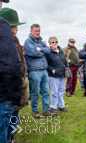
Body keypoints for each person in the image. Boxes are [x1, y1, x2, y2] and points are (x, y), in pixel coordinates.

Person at [0, 7, 28, 143]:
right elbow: (11, 66)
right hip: (11, 89)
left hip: (17, 85)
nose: (16, 29)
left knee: (13, 119)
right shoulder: (7, 42)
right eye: (14, 25)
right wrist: (17, 91)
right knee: (8, 124)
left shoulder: (15, 41)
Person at [24, 24, 56, 118]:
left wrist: (40, 49)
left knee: (46, 91)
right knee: (35, 92)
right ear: (31, 32)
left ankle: (46, 110)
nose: (38, 32)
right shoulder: (27, 42)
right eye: (36, 31)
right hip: (34, 71)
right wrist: (42, 51)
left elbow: (48, 51)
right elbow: (33, 53)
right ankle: (35, 111)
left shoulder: (41, 41)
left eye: (39, 31)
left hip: (44, 70)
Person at [46, 36, 68, 113]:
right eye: (53, 42)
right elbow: (46, 64)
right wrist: (52, 70)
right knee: (54, 92)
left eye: (56, 42)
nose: (55, 43)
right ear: (50, 44)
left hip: (62, 74)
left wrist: (67, 69)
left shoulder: (61, 51)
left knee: (61, 91)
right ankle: (53, 107)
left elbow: (64, 61)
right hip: (54, 75)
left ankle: (61, 106)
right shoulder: (48, 52)